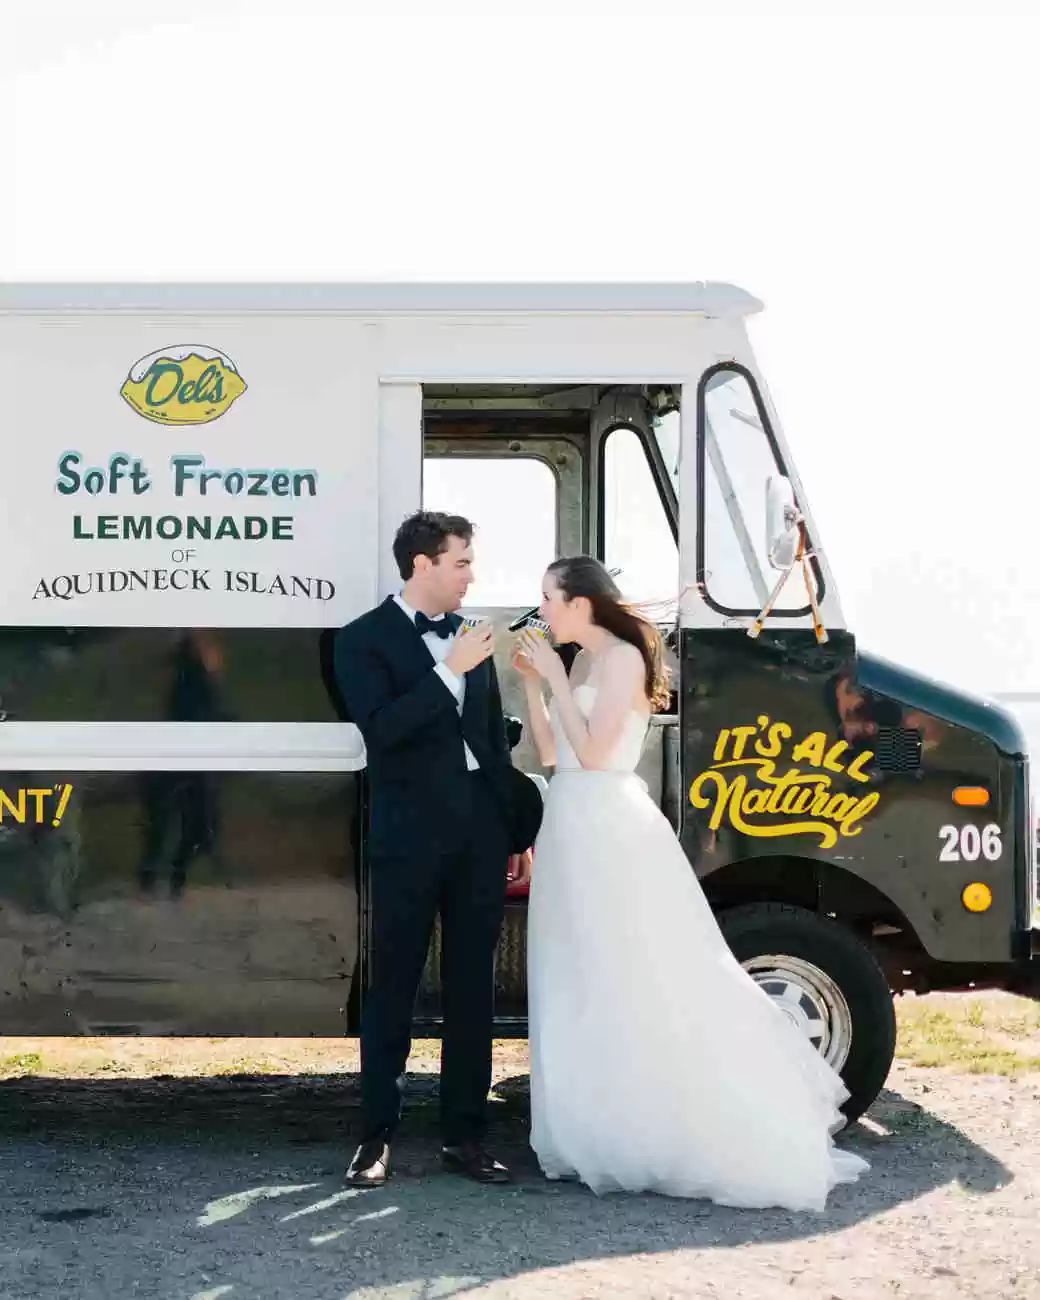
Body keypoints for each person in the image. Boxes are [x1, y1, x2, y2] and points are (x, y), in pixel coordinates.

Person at [512, 556, 870, 1211]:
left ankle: (649, 1127)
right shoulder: (582, 664)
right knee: (576, 975)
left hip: (607, 824)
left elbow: (596, 754)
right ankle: (587, 1125)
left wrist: (557, 678)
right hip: (567, 819)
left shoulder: (619, 659)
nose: (543, 611)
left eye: (550, 599)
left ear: (582, 604)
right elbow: (549, 753)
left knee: (632, 972)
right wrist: (536, 686)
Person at [333, 510, 540, 1189]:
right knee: (392, 989)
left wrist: (515, 832)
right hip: (407, 840)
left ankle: (466, 1138)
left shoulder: (472, 637)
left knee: (472, 993)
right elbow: (384, 732)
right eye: (461, 562)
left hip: (480, 837)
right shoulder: (362, 640)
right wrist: (448, 672)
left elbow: (490, 743)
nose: (470, 575)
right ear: (422, 565)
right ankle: (375, 1139)